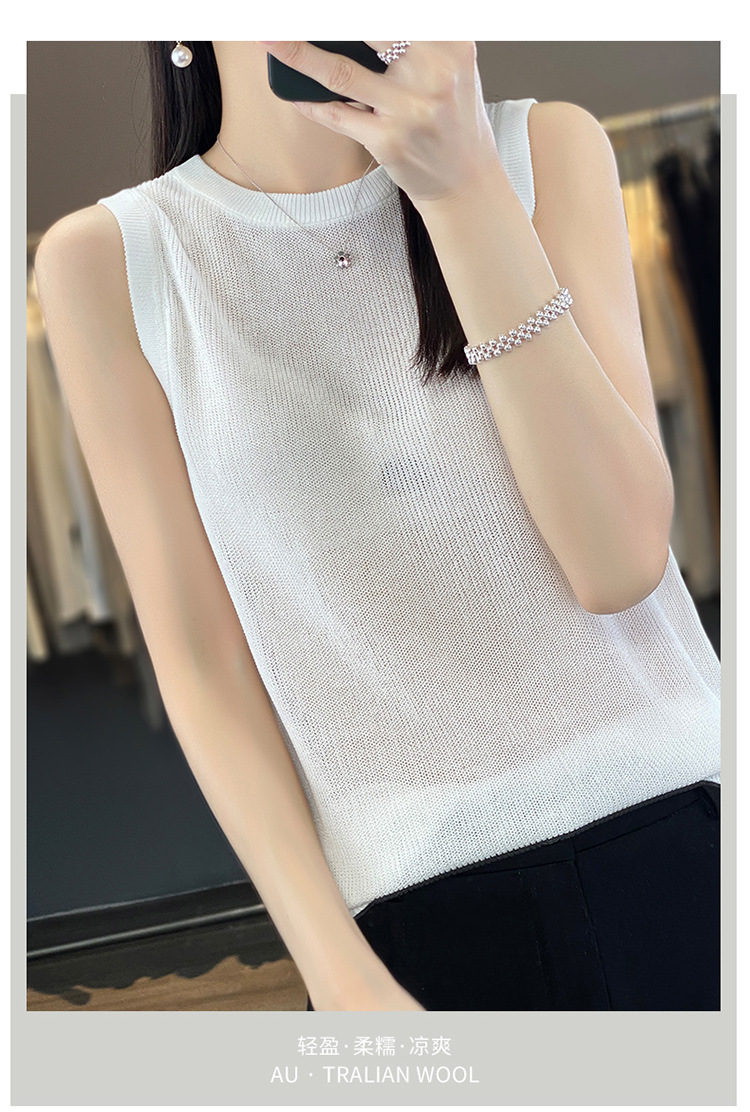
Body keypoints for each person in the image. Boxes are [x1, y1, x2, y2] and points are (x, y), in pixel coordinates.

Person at [33, 41, 721, 1012]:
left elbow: (617, 562)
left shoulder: (543, 152)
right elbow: (203, 665)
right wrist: (335, 966)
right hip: (412, 911)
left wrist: (462, 191)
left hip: (689, 828)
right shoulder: (112, 261)